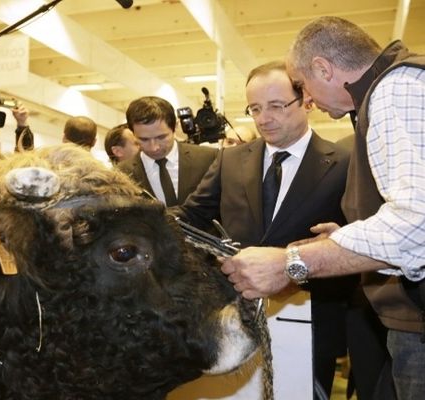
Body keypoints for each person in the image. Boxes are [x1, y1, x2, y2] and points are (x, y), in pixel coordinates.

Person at [222, 16, 425, 399]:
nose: (308, 98)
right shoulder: (394, 88)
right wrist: (344, 238)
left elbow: (415, 227)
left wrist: (291, 262)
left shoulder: (394, 89)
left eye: (301, 86)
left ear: (322, 68)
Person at [175, 61, 354, 399]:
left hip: (310, 319)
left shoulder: (343, 163)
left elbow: (357, 243)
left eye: (275, 106)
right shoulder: (230, 160)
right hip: (234, 317)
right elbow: (189, 217)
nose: (263, 118)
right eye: (255, 108)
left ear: (307, 101)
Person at [117, 96, 217, 206]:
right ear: (133, 134)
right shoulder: (122, 173)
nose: (154, 147)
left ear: (174, 127)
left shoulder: (208, 159)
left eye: (161, 137)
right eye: (144, 139)